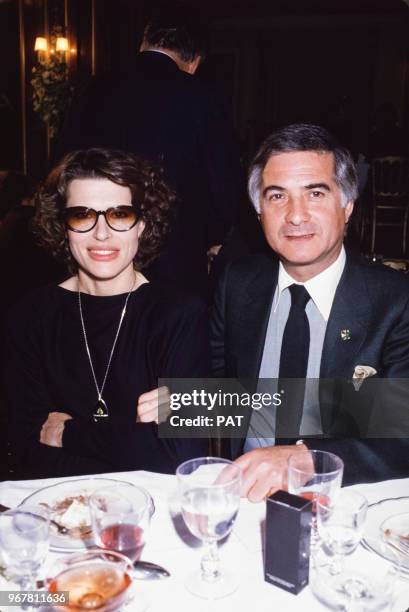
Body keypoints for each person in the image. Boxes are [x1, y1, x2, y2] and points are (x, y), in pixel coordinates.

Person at [211, 123, 409, 501]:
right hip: (246, 493)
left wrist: (302, 460)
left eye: (315, 193)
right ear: (258, 211)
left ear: (347, 206)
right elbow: (224, 391)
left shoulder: (395, 301)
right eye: (276, 197)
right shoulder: (237, 283)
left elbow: (401, 438)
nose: (295, 215)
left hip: (344, 498)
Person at [4, 148, 210, 479]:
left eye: (120, 214)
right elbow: (27, 450)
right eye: (83, 215)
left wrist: (69, 433)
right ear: (64, 225)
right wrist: (135, 441)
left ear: (141, 224)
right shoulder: (29, 317)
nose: (102, 233)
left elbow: (181, 454)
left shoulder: (179, 315)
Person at [56, 2, 242, 297]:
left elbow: (62, 169)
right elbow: (225, 190)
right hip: (174, 262)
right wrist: (213, 239)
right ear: (195, 61)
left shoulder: (93, 89)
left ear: (144, 43)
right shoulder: (201, 96)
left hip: (97, 251)